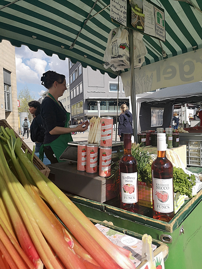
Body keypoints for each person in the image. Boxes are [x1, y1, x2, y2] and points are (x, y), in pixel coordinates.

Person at [39, 70, 89, 164]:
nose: (65, 88)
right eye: (64, 84)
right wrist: (76, 129)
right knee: (63, 173)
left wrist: (78, 127)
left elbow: (61, 126)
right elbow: (52, 130)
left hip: (63, 141)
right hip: (54, 144)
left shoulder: (58, 103)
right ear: (55, 84)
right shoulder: (47, 102)